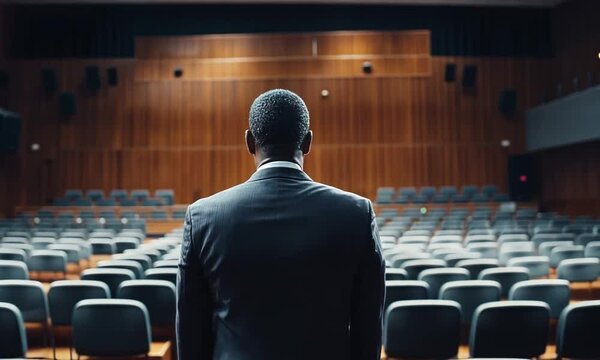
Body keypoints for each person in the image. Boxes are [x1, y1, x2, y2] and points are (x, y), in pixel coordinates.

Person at [177, 89, 385, 360]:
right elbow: (368, 331)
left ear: (250, 141)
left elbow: (191, 334)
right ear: (308, 142)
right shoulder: (356, 213)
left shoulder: (202, 216)